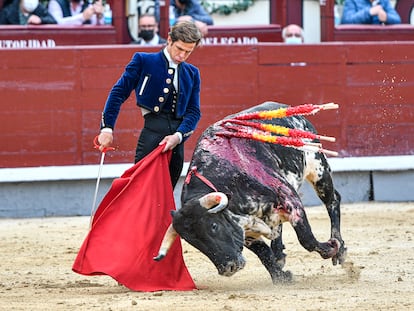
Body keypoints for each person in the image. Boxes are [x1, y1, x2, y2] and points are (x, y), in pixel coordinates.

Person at [98, 21, 203, 188]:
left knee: (167, 195)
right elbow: (118, 93)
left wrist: (178, 137)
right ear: (169, 40)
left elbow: (193, 112)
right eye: (179, 49)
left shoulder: (192, 73)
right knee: (140, 191)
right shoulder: (144, 61)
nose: (182, 56)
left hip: (177, 144)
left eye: (188, 52)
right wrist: (107, 128)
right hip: (151, 137)